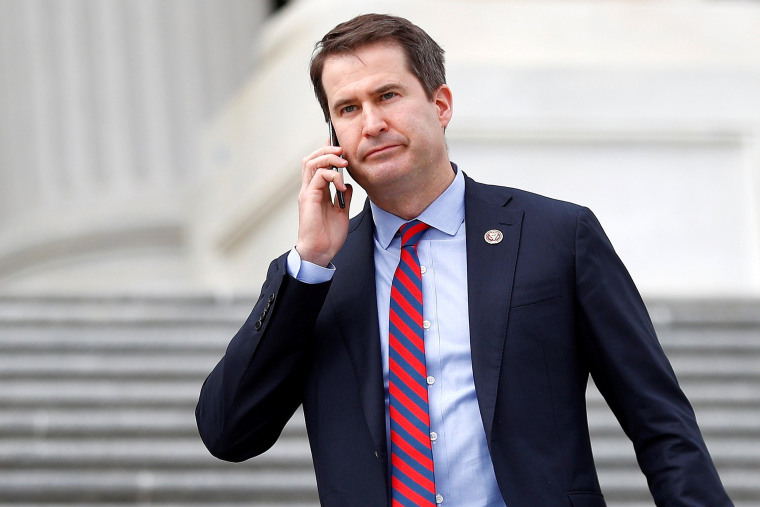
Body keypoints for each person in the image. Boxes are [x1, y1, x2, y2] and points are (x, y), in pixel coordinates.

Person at [196, 13, 732, 507]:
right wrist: (309, 263)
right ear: (333, 135)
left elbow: (661, 423)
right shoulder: (316, 278)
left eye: (388, 95)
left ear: (441, 104)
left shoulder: (557, 236)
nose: (372, 122)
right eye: (348, 108)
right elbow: (229, 433)